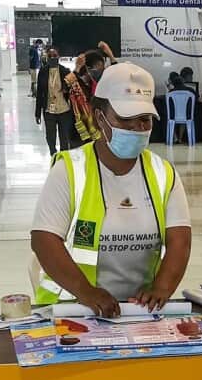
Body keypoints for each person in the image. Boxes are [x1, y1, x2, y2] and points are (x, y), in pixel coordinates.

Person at [31, 63, 191, 317]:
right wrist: (86, 292)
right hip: (74, 308)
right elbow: (43, 240)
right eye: (126, 120)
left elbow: (180, 240)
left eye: (145, 120)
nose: (137, 128)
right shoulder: (69, 170)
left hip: (137, 310)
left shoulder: (164, 173)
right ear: (99, 117)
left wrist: (162, 287)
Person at [35, 46, 77, 154]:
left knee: (64, 138)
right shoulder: (43, 71)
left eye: (55, 55)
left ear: (59, 56)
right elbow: (39, 93)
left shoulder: (65, 71)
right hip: (49, 110)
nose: (52, 58)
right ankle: (53, 155)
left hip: (64, 110)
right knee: (50, 137)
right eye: (50, 56)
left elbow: (73, 90)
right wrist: (37, 113)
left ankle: (64, 157)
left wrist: (66, 89)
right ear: (47, 57)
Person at [66, 50, 105, 143]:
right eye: (98, 67)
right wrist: (77, 67)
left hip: (99, 130)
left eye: (102, 67)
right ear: (87, 68)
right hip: (80, 133)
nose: (101, 71)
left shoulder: (102, 83)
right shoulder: (77, 84)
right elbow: (66, 85)